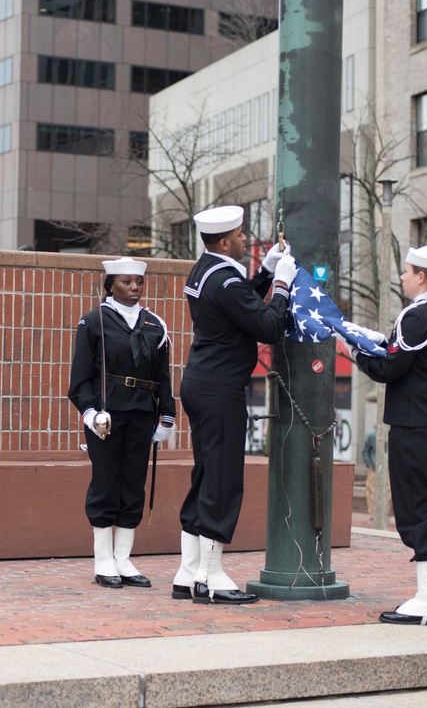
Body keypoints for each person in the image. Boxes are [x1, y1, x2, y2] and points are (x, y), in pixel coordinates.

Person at [175, 205, 296, 605]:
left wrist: (263, 273)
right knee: (223, 481)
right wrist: (280, 285)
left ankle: (188, 572)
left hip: (201, 381)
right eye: (242, 236)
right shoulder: (226, 280)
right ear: (225, 242)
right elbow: (267, 325)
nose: (248, 240)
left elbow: (238, 303)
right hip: (220, 387)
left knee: (206, 476)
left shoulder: (205, 269)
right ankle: (211, 578)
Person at [348, 245, 427, 625]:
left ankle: (426, 602)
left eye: (406, 270)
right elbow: (412, 357)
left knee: (418, 510)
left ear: (420, 276)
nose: (401, 276)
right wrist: (374, 339)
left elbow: (391, 367)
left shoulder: (419, 311)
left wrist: (354, 349)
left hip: (416, 425)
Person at [68, 257, 177, 589]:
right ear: (110, 284)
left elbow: (163, 377)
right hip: (106, 414)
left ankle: (124, 559)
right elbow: (81, 377)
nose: (134, 288)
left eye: (138, 282)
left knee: (133, 483)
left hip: (142, 412)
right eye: (126, 282)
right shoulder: (94, 322)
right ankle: (103, 560)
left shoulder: (155, 324)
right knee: (105, 482)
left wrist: (167, 416)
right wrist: (88, 413)